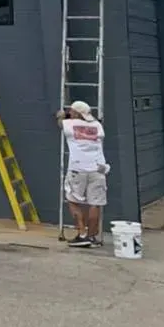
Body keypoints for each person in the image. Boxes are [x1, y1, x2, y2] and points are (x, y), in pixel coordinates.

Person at [56, 100, 108, 247]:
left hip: (78, 168)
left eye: (72, 111)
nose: (70, 113)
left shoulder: (69, 124)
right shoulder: (98, 126)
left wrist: (63, 115)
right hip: (98, 168)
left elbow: (59, 120)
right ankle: (92, 237)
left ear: (76, 113)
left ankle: (82, 234)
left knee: (72, 200)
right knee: (95, 204)